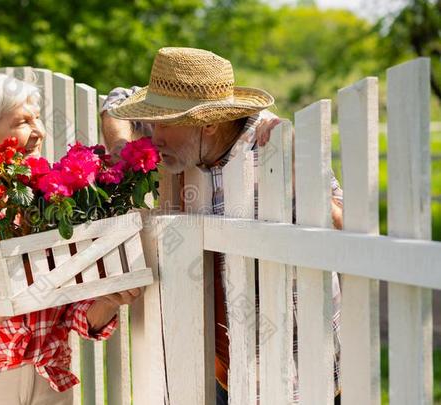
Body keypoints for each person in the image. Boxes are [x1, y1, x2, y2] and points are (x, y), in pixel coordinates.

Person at [101, 47, 342, 404]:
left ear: (210, 122)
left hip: (297, 373)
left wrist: (305, 180)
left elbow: (347, 232)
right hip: (219, 370)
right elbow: (116, 99)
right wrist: (121, 148)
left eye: (165, 123)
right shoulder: (186, 144)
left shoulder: (276, 146)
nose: (154, 136)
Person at [0, 74, 141, 405]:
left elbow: (75, 310)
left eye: (37, 118)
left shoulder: (55, 200)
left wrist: (109, 300)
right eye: (22, 121)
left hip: (50, 384)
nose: (40, 132)